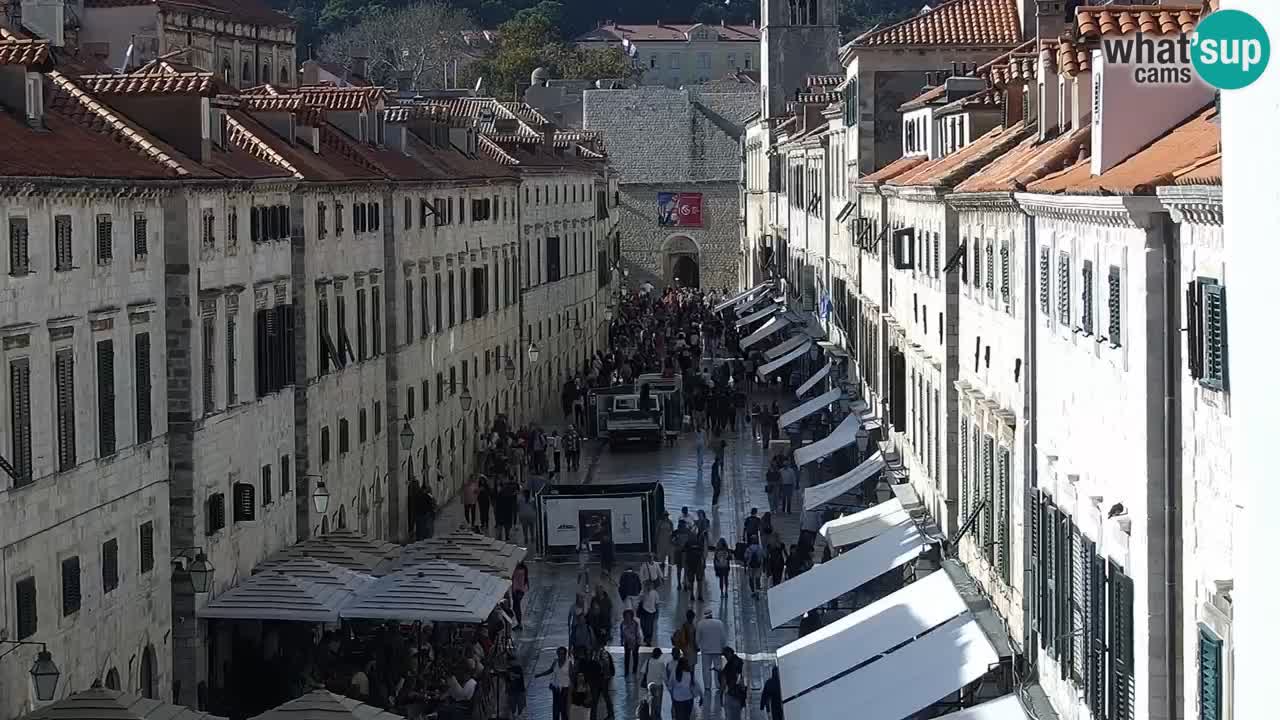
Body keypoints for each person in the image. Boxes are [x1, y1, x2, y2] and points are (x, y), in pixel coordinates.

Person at [536, 646, 575, 720]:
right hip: (556, 688)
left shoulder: (569, 663)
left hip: (565, 689)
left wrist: (572, 687)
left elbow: (572, 676)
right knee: (556, 708)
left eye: (562, 653)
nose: (560, 655)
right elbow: (551, 671)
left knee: (563, 708)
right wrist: (540, 675)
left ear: (565, 654)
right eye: (559, 653)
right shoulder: (555, 662)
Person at [695, 609, 725, 692]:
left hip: (706, 650)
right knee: (718, 668)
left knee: (706, 669)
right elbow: (723, 637)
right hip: (717, 650)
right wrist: (723, 647)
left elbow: (697, 638)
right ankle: (718, 684)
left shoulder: (700, 624)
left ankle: (707, 686)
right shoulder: (719, 623)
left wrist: (697, 646)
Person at [641, 654, 667, 720]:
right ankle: (657, 716)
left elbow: (643, 671)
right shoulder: (661, 663)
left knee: (650, 701)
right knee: (658, 704)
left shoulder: (648, 661)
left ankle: (651, 715)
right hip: (658, 685)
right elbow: (665, 676)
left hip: (649, 685)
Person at [620, 609, 642, 676]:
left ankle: (634, 670)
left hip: (635, 641)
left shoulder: (635, 623)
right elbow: (621, 633)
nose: (627, 618)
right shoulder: (622, 624)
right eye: (626, 616)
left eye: (628, 616)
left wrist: (638, 642)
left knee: (635, 656)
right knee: (627, 656)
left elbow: (638, 633)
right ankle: (626, 671)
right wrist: (622, 641)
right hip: (627, 641)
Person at [512, 561, 530, 629]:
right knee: (516, 607)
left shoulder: (518, 570)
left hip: (517, 590)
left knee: (516, 607)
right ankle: (519, 623)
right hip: (519, 590)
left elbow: (516, 580)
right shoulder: (523, 569)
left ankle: (519, 624)